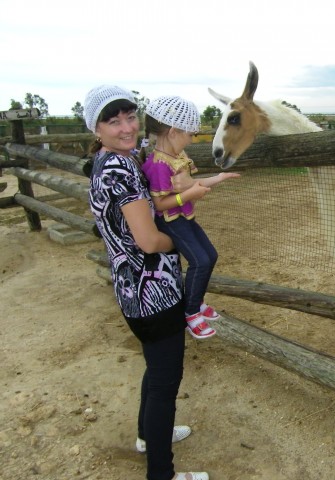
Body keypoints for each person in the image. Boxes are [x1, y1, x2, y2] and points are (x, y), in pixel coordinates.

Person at [85, 85, 209, 480]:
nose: (126, 128)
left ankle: (146, 436)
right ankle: (162, 474)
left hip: (133, 292)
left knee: (155, 372)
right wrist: (183, 244)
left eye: (130, 117)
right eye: (113, 121)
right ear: (97, 130)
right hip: (152, 296)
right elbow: (149, 240)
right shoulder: (119, 170)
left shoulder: (113, 161)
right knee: (164, 384)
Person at [140, 95, 240, 339]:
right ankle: (191, 313)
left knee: (211, 256)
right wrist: (189, 195)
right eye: (191, 134)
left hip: (185, 218)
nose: (192, 138)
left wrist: (217, 178)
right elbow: (159, 203)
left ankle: (196, 300)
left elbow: (192, 183)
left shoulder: (176, 157)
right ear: (174, 131)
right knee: (200, 261)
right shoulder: (158, 165)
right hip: (171, 221)